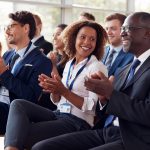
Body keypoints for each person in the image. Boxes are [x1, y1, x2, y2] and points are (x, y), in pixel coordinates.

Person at [36, 12, 150, 150]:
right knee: (42, 147)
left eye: (128, 28)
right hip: (107, 131)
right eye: (123, 29)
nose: (122, 33)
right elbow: (104, 110)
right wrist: (103, 99)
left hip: (134, 139)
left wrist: (110, 94)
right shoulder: (124, 70)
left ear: (147, 33)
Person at [4, 20, 108, 150]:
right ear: (74, 38)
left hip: (78, 122)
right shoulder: (70, 64)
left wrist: (64, 91)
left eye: (92, 39)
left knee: (17, 134)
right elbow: (58, 101)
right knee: (18, 105)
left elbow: (93, 109)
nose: (87, 42)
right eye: (82, 37)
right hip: (59, 114)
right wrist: (54, 90)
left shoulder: (97, 67)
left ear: (97, 43)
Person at [0, 11, 52, 134]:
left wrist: (4, 73)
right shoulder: (8, 54)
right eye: (6, 28)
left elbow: (30, 97)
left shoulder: (42, 61)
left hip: (14, 113)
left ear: (26, 28)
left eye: (11, 27)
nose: (7, 32)